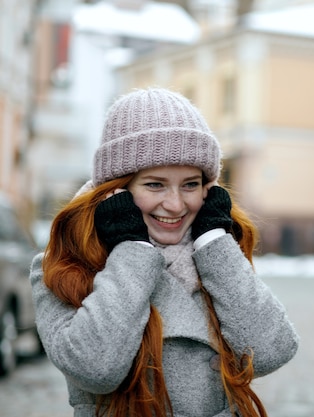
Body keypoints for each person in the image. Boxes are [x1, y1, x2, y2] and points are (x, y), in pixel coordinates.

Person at [29, 88, 299, 417]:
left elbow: (273, 351)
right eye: (155, 184)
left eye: (190, 184)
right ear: (117, 190)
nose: (175, 205)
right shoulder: (65, 267)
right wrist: (132, 251)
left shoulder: (216, 257)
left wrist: (214, 241)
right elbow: (95, 370)